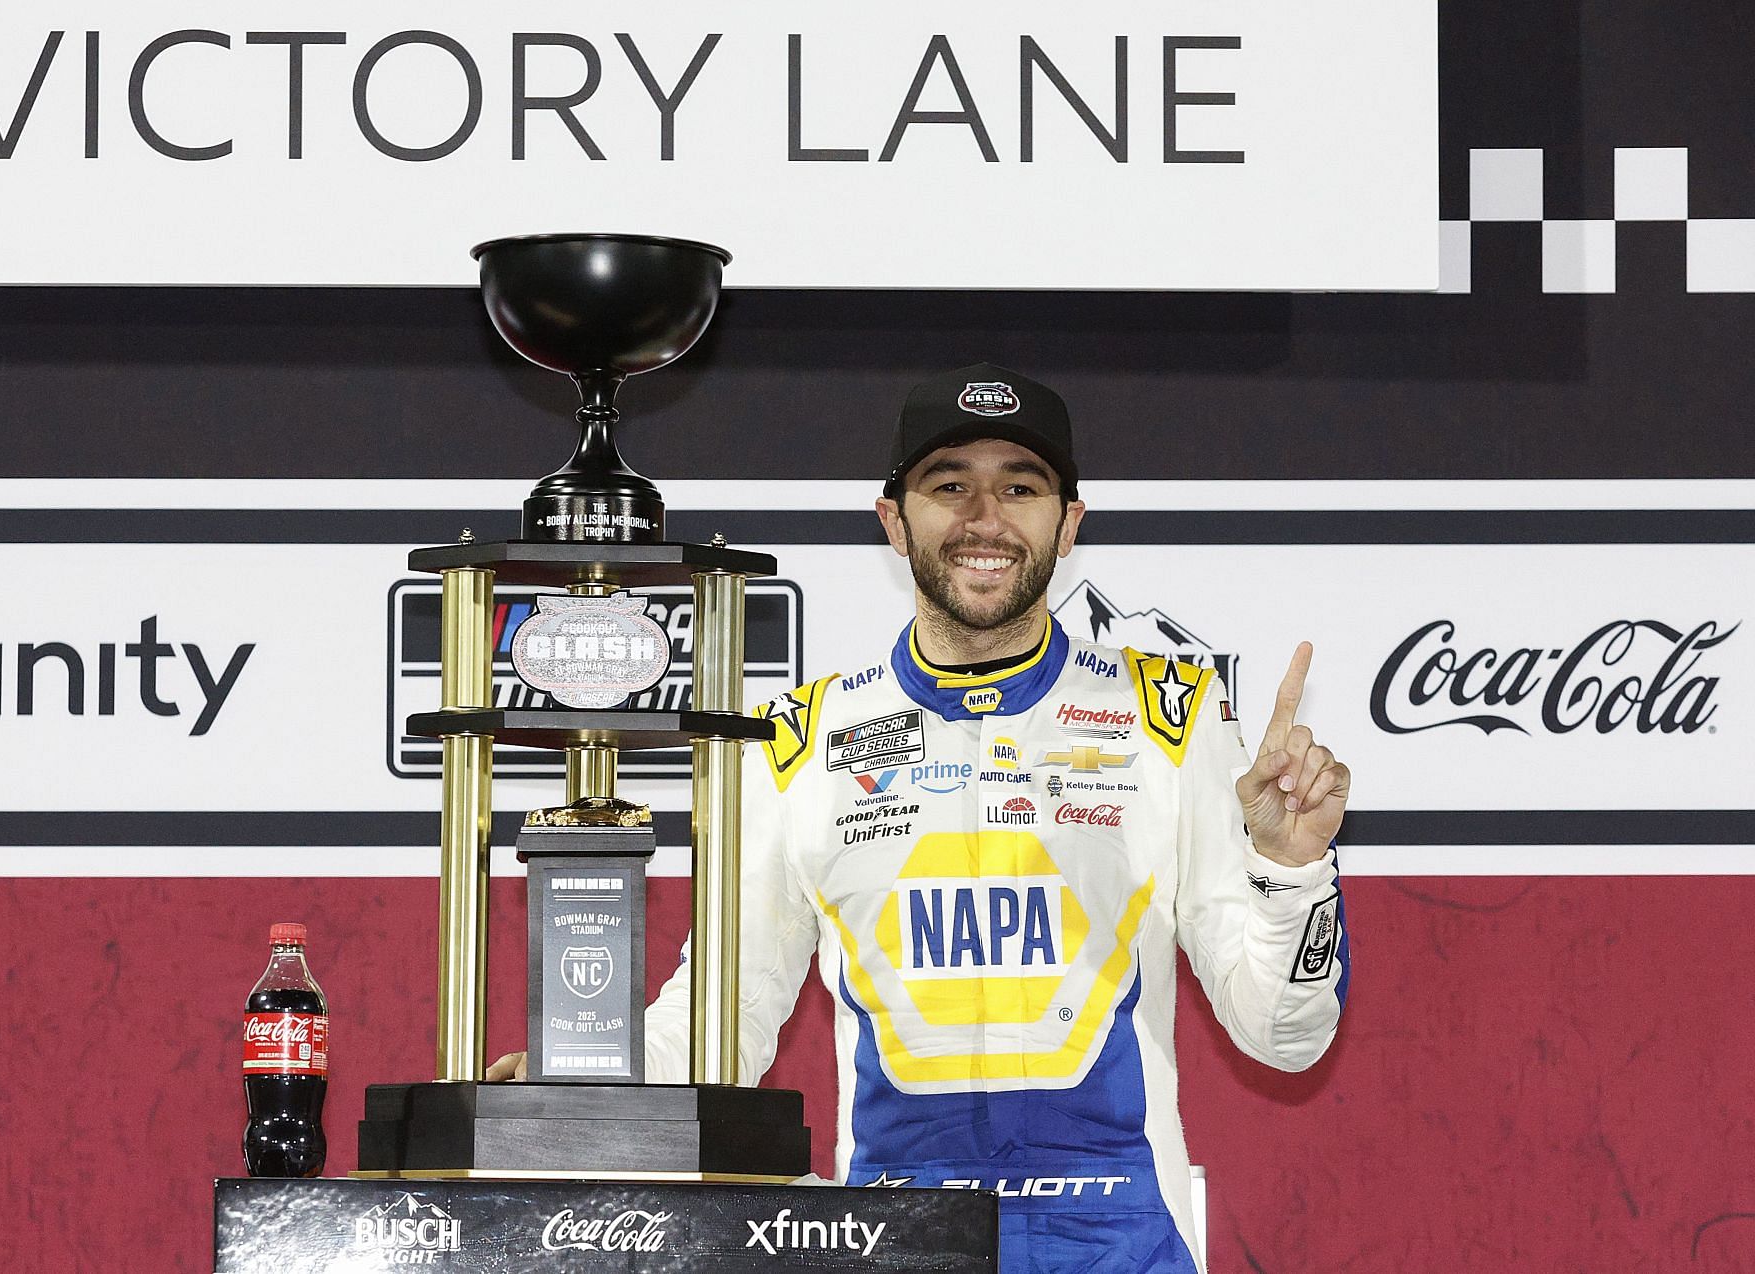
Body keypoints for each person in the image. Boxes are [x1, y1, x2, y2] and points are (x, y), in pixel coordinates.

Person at [501, 363, 1352, 1273]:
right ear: (892, 521)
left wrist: (1291, 866)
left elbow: (1285, 1034)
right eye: (950, 486)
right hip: (890, 1244)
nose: (985, 519)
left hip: (1122, 1244)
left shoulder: (1168, 717)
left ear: (1068, 524)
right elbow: (723, 1023)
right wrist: (587, 1079)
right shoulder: (800, 740)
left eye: (1020, 488)